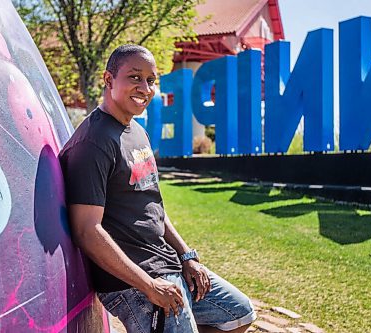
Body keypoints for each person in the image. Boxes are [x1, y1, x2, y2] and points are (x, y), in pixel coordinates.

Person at [59, 44, 256, 333]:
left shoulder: (137, 131)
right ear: (109, 80)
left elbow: (154, 208)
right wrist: (149, 285)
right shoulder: (94, 141)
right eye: (135, 77)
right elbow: (87, 231)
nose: (145, 87)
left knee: (239, 313)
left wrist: (186, 255)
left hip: (167, 263)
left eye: (151, 80)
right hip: (133, 281)